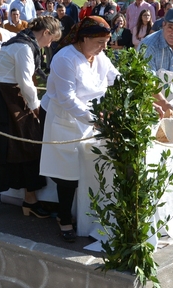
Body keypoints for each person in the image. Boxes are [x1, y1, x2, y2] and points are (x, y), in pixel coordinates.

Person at [40, 16, 118, 242]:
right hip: (65, 120)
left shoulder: (99, 56)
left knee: (87, 169)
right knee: (67, 175)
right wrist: (95, 119)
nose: (104, 47)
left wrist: (143, 97)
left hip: (92, 120)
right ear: (84, 38)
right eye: (100, 42)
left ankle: (85, 215)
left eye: (106, 42)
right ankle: (64, 218)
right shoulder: (65, 59)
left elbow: (117, 79)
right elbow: (66, 98)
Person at [0, 16, 61, 217]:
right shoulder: (23, 47)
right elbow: (26, 83)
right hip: (0, 98)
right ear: (46, 33)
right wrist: (37, 110)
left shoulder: (23, 41)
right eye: (50, 40)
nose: (49, 45)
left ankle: (30, 199)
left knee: (28, 142)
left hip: (11, 94)